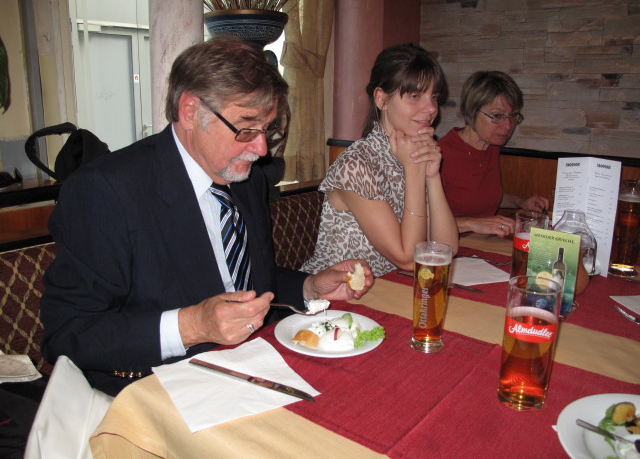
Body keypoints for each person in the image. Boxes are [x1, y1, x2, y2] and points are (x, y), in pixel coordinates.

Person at [40, 36, 373, 396]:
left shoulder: (244, 178)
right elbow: (67, 334)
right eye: (246, 128)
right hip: (153, 389)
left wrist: (307, 288)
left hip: (250, 370)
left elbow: (236, 279)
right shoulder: (105, 191)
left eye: (268, 129)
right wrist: (191, 326)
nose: (260, 149)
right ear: (189, 111)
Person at [301, 44, 459, 277]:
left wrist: (432, 175)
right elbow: (407, 258)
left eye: (433, 96)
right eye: (415, 96)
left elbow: (447, 248)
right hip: (337, 299)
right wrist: (414, 171)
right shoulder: (355, 165)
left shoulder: (406, 152)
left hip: (388, 291)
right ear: (382, 99)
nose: (431, 109)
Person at [438, 70, 549, 237]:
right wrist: (472, 223)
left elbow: (483, 196)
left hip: (481, 243)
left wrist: (521, 202)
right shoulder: (441, 154)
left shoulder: (491, 145)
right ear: (472, 111)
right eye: (497, 116)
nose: (507, 126)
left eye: (512, 116)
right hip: (448, 248)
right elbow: (422, 221)